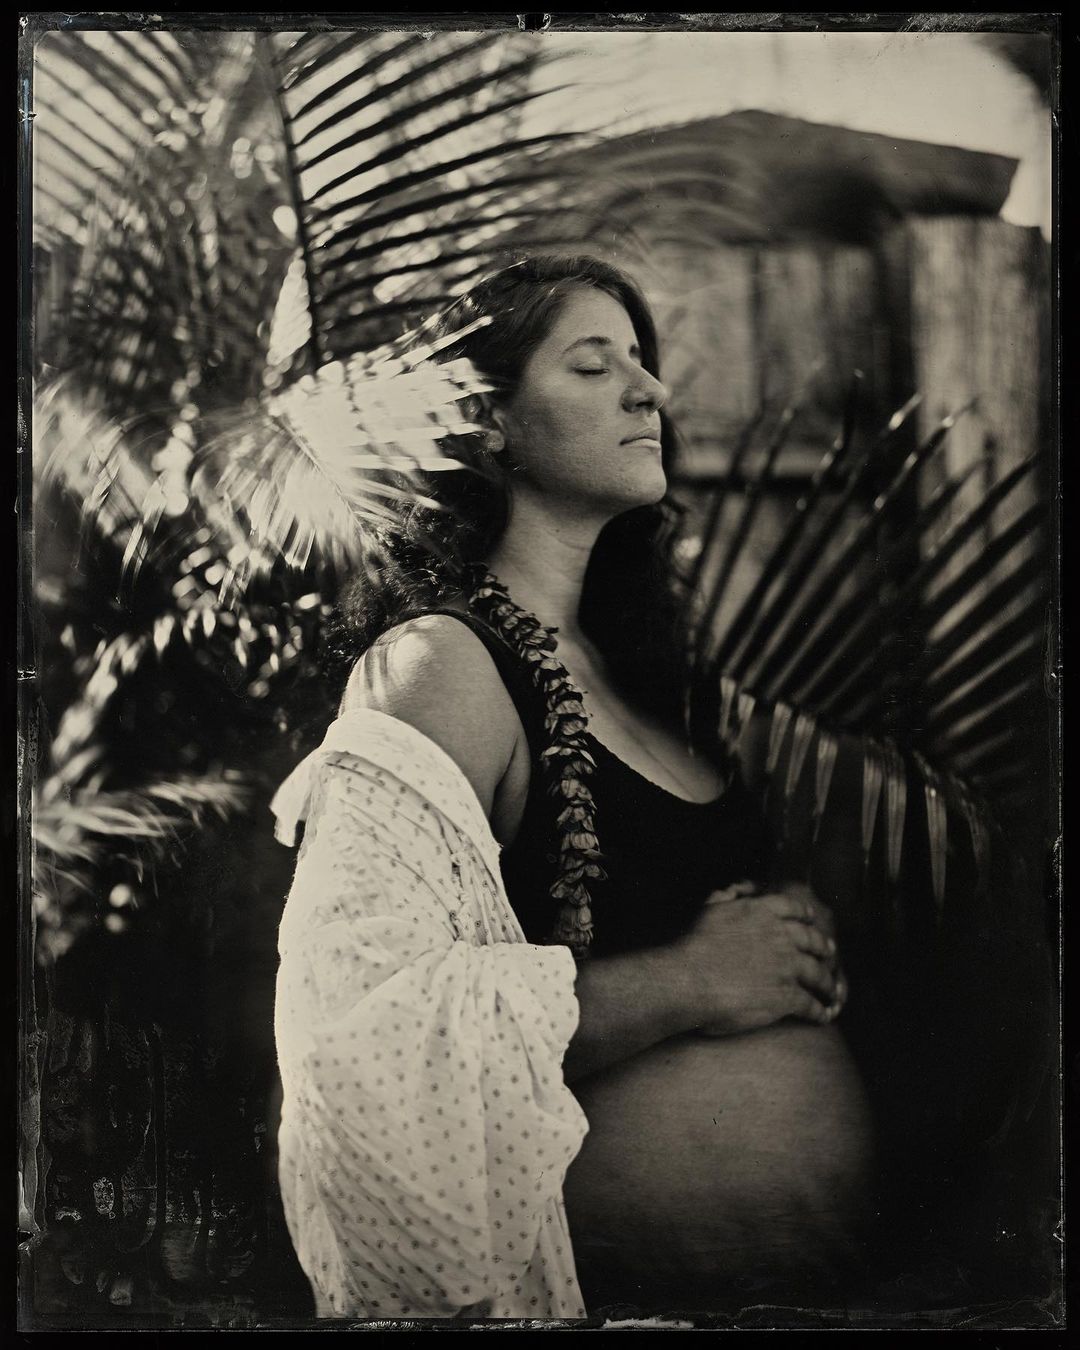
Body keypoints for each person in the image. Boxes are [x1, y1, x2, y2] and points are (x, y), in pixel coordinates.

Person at [271, 255, 876, 1320]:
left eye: (641, 362)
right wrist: (694, 980)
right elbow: (359, 1035)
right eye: (594, 367)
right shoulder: (441, 667)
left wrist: (784, 944)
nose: (651, 392)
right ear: (488, 424)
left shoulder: (646, 672)